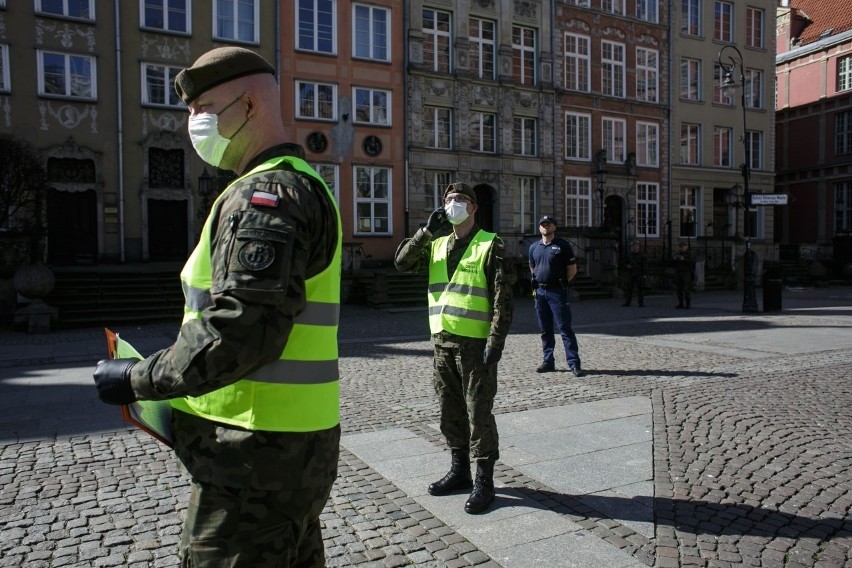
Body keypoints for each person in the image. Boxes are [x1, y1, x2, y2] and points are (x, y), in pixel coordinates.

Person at [92, 47, 342, 567]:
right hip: (286, 449)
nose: (192, 123)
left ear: (249, 106)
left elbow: (240, 329)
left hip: (252, 457)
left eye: (202, 107)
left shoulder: (264, 193)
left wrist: (138, 377)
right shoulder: (301, 181)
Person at [394, 182, 514, 515]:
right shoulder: (437, 244)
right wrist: (424, 231)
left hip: (475, 345)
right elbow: (402, 263)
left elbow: (503, 300)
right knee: (450, 410)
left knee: (478, 412)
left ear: (474, 208)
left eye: (460, 199)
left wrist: (496, 341)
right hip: (442, 341)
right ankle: (459, 470)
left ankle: (484, 480)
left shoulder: (491, 245)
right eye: (448, 200)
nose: (453, 204)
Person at [528, 216, 582, 377]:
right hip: (540, 292)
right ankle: (548, 361)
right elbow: (532, 267)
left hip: (557, 292)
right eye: (542, 225)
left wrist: (563, 284)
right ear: (539, 228)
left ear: (554, 227)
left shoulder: (563, 245)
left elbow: (572, 269)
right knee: (545, 330)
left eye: (548, 224)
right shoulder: (533, 247)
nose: (545, 227)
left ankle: (574, 363)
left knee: (565, 328)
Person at [621, 240, 646, 307]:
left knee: (640, 289)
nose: (635, 247)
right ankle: (627, 302)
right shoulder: (629, 255)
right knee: (629, 288)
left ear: (638, 247)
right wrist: (627, 266)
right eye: (634, 246)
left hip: (639, 273)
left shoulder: (642, 255)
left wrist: (644, 274)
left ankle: (641, 303)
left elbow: (644, 265)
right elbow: (623, 263)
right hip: (631, 273)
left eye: (636, 246)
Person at [673, 241, 695, 309]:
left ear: (686, 247)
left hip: (686, 273)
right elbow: (673, 264)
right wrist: (674, 259)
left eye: (683, 247)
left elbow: (692, 263)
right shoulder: (678, 253)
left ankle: (688, 304)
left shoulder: (689, 254)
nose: (682, 248)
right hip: (679, 273)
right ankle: (681, 303)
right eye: (681, 247)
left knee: (686, 289)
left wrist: (684, 259)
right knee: (679, 289)